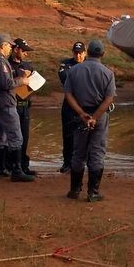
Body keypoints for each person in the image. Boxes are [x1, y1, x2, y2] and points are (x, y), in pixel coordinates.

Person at [64, 39, 115, 201]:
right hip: (99, 117)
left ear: (88, 52)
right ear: (103, 54)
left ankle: (75, 190)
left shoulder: (74, 70)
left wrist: (80, 113)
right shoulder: (108, 73)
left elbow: (68, 94)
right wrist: (95, 117)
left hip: (80, 116)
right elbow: (109, 99)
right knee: (97, 153)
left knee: (78, 152)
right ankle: (93, 192)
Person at [0, 33, 35, 182]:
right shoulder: (0, 62)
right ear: (3, 45)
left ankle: (0, 169)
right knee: (16, 137)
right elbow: (6, 84)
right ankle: (17, 171)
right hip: (5, 103)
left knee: (1, 137)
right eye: (9, 46)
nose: (10, 48)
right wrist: (22, 80)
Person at [8, 38, 37, 176]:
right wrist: (21, 77)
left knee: (24, 137)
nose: (26, 53)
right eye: (23, 50)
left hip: (25, 106)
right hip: (12, 105)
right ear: (15, 49)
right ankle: (12, 166)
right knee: (13, 138)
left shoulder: (28, 66)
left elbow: (34, 84)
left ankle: (23, 166)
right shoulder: (7, 65)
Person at [57, 41, 86, 173]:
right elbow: (65, 78)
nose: (78, 55)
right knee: (68, 136)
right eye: (76, 53)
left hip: (85, 105)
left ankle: (81, 163)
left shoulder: (90, 64)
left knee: (85, 136)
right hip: (69, 105)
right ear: (72, 52)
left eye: (81, 53)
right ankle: (67, 163)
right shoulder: (65, 64)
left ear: (85, 53)